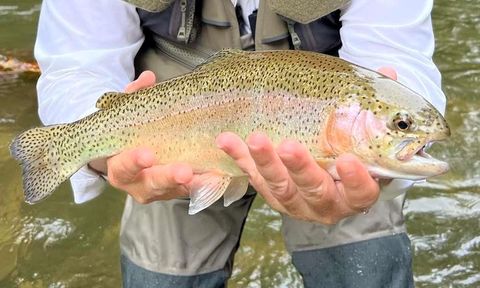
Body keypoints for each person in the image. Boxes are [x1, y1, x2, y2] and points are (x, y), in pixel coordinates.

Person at [34, 0, 446, 287]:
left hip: (332, 160)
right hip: (177, 128)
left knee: (366, 268)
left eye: (403, 125)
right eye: (404, 125)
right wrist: (101, 155)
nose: (411, 131)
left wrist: (386, 175)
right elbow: (76, 65)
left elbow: (398, 56)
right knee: (160, 278)